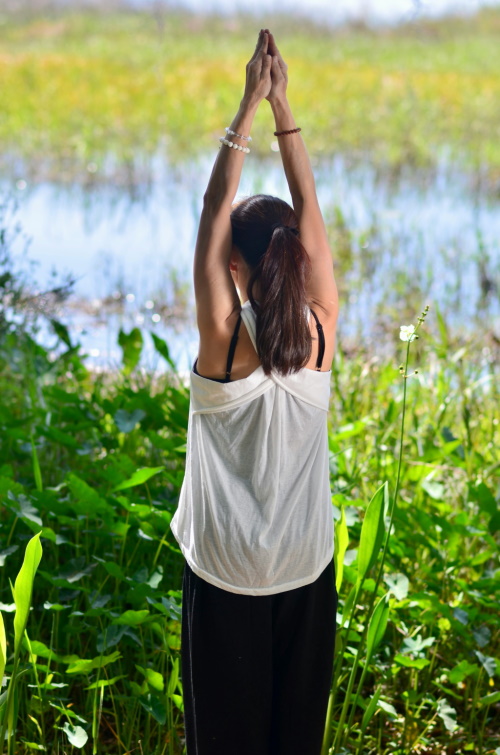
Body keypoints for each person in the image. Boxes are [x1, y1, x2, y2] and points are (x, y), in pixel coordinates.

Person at [170, 28, 340, 755]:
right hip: (305, 571)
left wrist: (248, 105)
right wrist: (283, 109)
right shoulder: (321, 334)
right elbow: (305, 200)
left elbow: (213, 210)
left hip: (228, 575)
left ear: (235, 268)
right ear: (295, 256)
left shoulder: (224, 343)